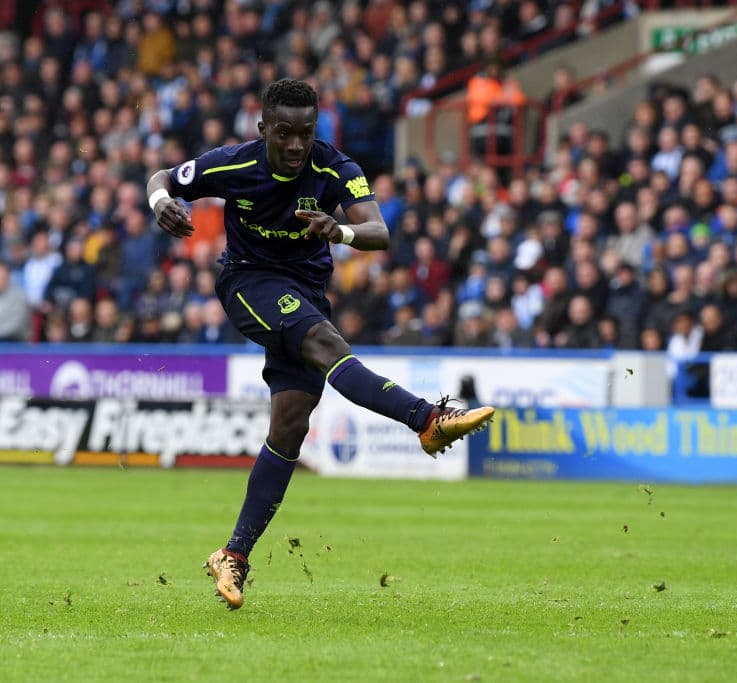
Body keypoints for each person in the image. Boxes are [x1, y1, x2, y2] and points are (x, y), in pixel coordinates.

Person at [146, 79, 495, 610]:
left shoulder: (336, 168)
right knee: (326, 343)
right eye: (282, 133)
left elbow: (378, 231)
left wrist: (340, 231)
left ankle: (233, 555)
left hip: (306, 290)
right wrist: (159, 202)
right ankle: (425, 419)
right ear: (264, 129)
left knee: (289, 425)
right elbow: (164, 177)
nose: (293, 145)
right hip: (249, 282)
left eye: (304, 134)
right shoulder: (232, 164)